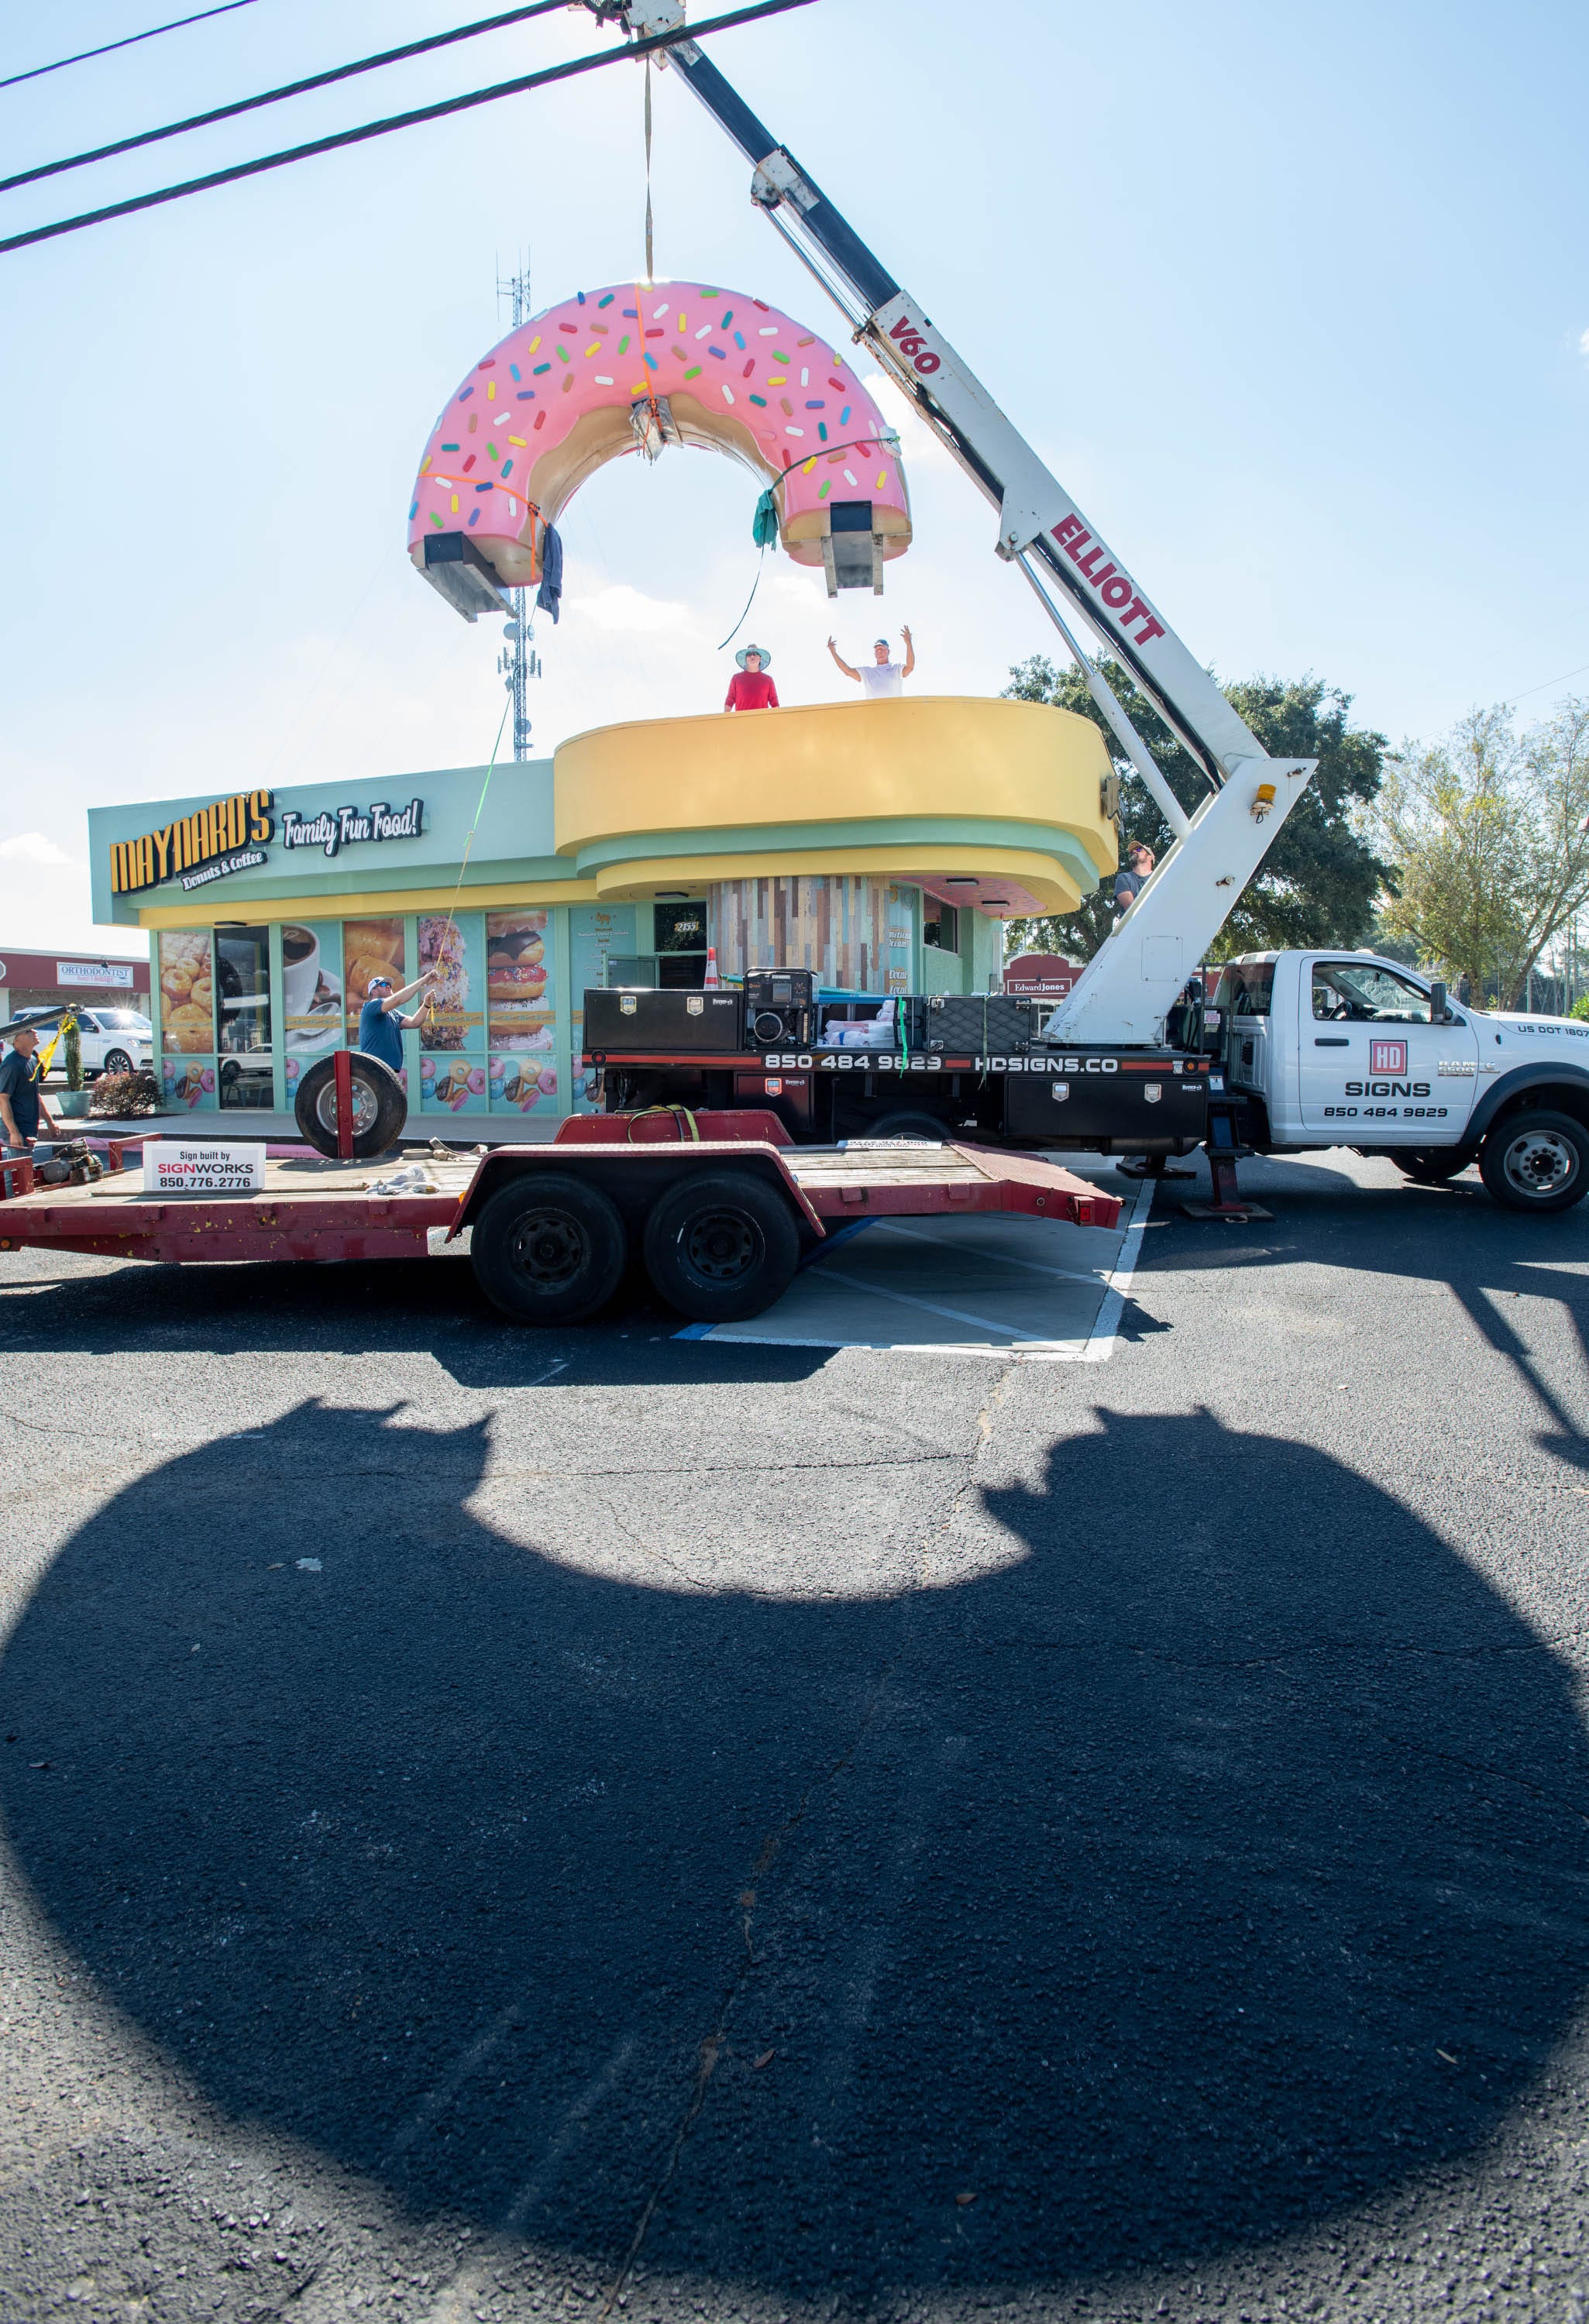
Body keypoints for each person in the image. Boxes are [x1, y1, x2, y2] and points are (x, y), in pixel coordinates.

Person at [356, 971, 434, 1074]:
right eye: (383, 984)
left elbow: (415, 1022)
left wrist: (426, 1005)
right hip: (374, 1068)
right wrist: (424, 980)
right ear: (374, 991)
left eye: (389, 985)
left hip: (388, 1069)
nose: (388, 987)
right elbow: (398, 1000)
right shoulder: (371, 1005)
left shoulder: (392, 1013)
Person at [0, 1024, 60, 1155]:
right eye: (28, 1031)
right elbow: (3, 1099)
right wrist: (14, 1132)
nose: (34, 1032)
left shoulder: (32, 1060)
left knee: (25, 1168)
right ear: (16, 1040)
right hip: (17, 1129)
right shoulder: (12, 1065)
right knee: (17, 1172)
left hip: (29, 1126)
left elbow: (35, 1094)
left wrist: (50, 1122)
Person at [827, 627, 914, 700]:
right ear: (874, 654)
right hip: (874, 714)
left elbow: (910, 667)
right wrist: (833, 653)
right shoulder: (867, 672)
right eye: (877, 650)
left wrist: (908, 643)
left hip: (894, 712)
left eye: (882, 649)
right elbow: (848, 671)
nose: (880, 651)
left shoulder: (896, 668)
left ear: (888, 651)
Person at [724, 644, 779, 713]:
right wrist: (726, 718)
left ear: (760, 658)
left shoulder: (768, 680)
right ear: (746, 659)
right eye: (749, 654)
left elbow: (774, 702)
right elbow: (730, 699)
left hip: (762, 720)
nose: (752, 656)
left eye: (755, 654)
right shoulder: (736, 678)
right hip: (741, 720)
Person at [1114, 842, 1155, 916]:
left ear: (1150, 857)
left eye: (1139, 849)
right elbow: (1133, 912)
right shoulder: (1124, 878)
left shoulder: (1158, 877)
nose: (1134, 851)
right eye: (1132, 852)